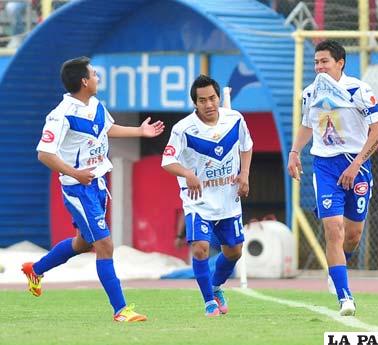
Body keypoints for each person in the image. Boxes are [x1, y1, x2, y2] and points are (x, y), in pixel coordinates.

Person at [21, 56, 164, 322]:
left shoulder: (96, 105)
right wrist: (74, 173)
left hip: (98, 182)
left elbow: (108, 128)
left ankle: (35, 270)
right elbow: (44, 153)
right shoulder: (61, 114)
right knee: (105, 244)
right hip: (78, 187)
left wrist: (140, 132)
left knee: (83, 242)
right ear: (84, 81)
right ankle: (121, 310)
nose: (98, 77)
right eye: (94, 74)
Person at [288, 40, 378, 316]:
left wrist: (356, 165)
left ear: (340, 62)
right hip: (325, 167)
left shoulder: (359, 90)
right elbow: (308, 125)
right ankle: (345, 298)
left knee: (352, 236)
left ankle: (337, 269)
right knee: (334, 230)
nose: (319, 67)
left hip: (358, 166)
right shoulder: (310, 93)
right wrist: (295, 152)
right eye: (316, 62)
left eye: (324, 62)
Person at [162, 74, 253, 317]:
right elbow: (167, 161)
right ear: (195, 103)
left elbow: (247, 145)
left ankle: (215, 286)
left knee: (234, 251)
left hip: (228, 198)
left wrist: (244, 174)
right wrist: (187, 174)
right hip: (197, 201)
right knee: (200, 248)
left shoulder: (235, 119)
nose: (209, 104)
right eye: (202, 100)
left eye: (212, 98)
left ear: (218, 97)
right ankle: (208, 302)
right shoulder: (183, 129)